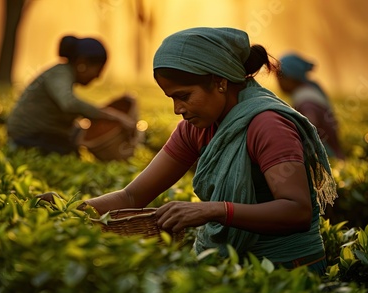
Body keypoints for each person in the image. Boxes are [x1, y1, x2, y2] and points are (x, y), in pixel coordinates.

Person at [40, 27, 338, 275]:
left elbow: (297, 210)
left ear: (220, 82)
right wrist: (69, 210)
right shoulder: (196, 127)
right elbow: (133, 196)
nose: (176, 109)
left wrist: (212, 210)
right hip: (231, 265)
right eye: (171, 98)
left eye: (184, 96)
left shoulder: (267, 125)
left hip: (289, 270)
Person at [7, 35, 136, 157]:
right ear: (82, 63)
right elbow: (69, 103)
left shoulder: (62, 74)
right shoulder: (60, 73)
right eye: (98, 70)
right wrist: (113, 116)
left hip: (42, 135)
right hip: (29, 137)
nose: (97, 77)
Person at [277, 53, 345, 160]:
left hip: (328, 161)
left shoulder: (306, 102)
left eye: (279, 76)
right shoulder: (308, 93)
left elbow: (308, 131)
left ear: (290, 77)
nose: (278, 81)